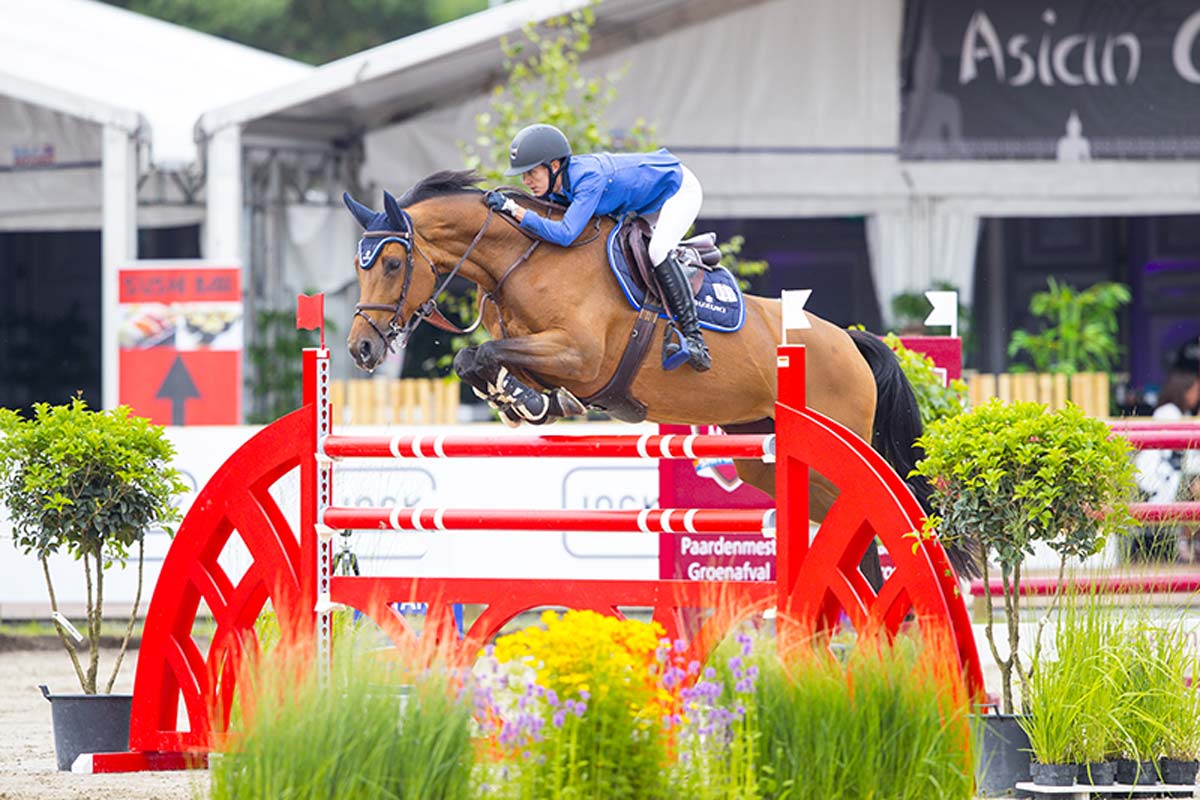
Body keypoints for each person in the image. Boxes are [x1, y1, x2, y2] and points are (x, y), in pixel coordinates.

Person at [484, 123, 711, 372]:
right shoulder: (559, 184)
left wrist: (512, 209)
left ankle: (694, 338)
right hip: (646, 201)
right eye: (523, 175)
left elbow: (566, 234)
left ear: (555, 166)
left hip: (677, 191)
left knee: (657, 251)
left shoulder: (588, 178)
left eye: (532, 173)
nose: (526, 181)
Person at [1133, 363, 1200, 562]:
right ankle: (1185, 543)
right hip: (1159, 479)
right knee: (1196, 490)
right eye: (1195, 391)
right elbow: (1177, 455)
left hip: (1174, 476)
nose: (1197, 396)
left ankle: (1187, 542)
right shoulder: (1169, 413)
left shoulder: (1181, 415)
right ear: (1183, 390)